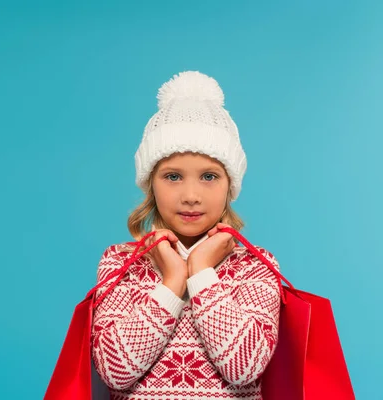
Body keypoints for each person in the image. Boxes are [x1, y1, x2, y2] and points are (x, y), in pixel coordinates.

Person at [91, 71, 281, 400]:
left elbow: (245, 368)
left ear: (230, 185)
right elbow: (114, 370)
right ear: (151, 183)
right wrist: (172, 281)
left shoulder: (255, 265)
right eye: (173, 176)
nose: (191, 195)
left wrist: (202, 273)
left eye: (209, 176)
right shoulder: (121, 263)